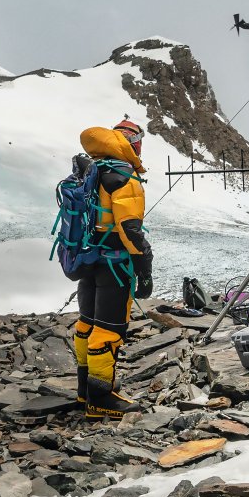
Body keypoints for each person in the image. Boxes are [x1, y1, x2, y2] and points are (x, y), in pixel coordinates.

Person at [73, 117, 152, 418]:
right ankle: (101, 398)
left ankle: (85, 392)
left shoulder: (91, 172)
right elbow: (130, 229)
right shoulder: (123, 176)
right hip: (115, 265)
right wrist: (145, 268)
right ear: (132, 144)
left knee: (87, 324)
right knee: (108, 331)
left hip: (89, 261)